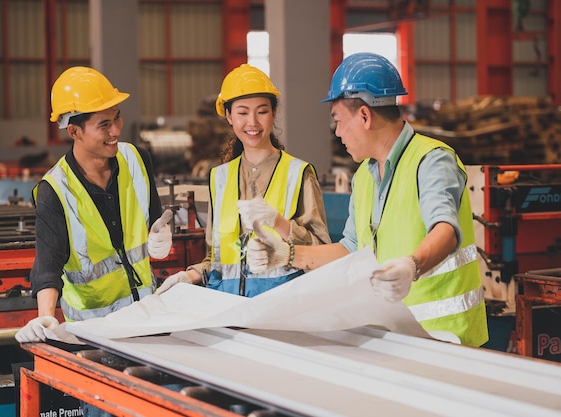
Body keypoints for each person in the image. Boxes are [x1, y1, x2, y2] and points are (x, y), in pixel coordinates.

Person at [244, 53, 488, 347]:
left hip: (447, 339)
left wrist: (412, 266)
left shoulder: (431, 160)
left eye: (338, 120)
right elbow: (350, 250)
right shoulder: (364, 177)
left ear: (364, 115)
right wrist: (287, 255)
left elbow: (445, 230)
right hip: (395, 336)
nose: (337, 132)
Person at [15, 66, 173, 345]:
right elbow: (47, 265)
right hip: (94, 333)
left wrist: (160, 233)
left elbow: (153, 220)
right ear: (74, 131)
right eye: (104, 125)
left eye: (117, 118)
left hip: (148, 319)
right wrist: (45, 316)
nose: (116, 130)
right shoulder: (54, 190)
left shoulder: (137, 159)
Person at [156, 63, 331, 297]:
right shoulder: (219, 178)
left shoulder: (298, 174)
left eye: (262, 111)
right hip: (229, 310)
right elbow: (217, 258)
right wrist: (190, 275)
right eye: (242, 112)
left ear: (274, 112)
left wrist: (278, 222)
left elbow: (322, 252)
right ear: (228, 116)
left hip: (281, 308)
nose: (253, 123)